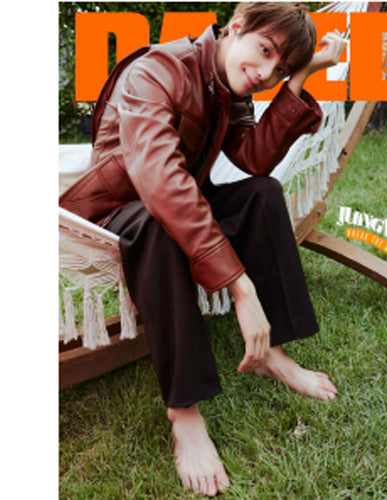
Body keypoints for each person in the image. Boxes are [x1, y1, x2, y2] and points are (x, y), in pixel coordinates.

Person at [60, 2, 346, 496]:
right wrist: (240, 287)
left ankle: (273, 354)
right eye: (265, 51)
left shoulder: (228, 85)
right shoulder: (156, 70)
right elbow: (159, 181)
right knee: (157, 226)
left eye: (278, 68)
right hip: (120, 210)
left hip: (180, 200)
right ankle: (184, 412)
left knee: (261, 194)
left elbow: (252, 160)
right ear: (237, 26)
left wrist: (299, 78)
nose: (265, 74)